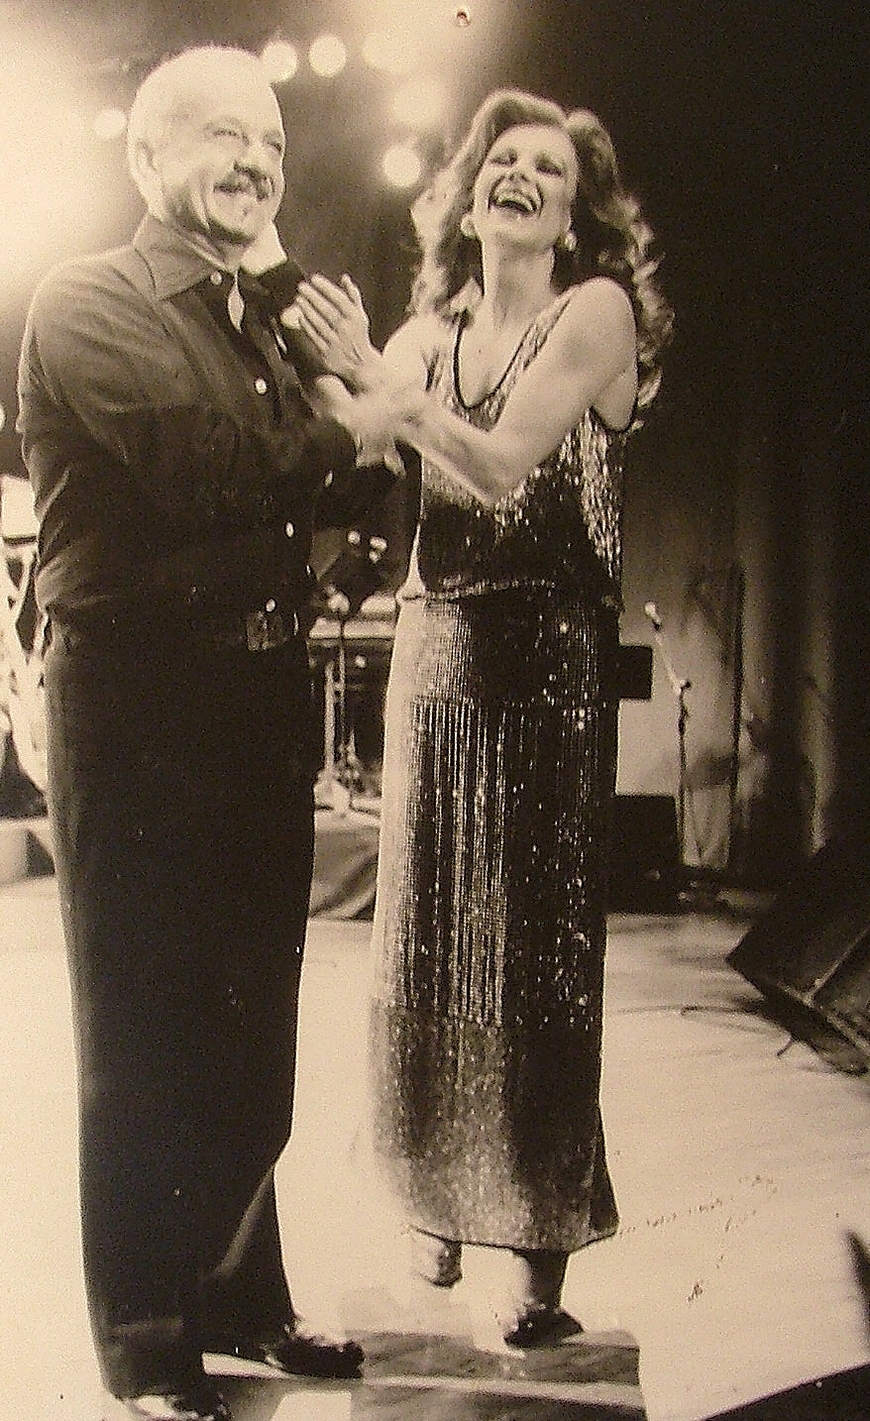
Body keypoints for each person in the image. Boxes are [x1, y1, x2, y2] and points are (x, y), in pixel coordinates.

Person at [16, 45, 401, 1421]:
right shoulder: (89, 300)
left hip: (254, 696)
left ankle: (242, 1297)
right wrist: (359, 421)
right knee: (143, 1031)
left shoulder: (262, 323)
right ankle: (146, 1337)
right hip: (136, 704)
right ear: (146, 157)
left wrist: (345, 398)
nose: (257, 162)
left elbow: (345, 490)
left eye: (275, 144)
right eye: (224, 136)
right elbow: (210, 471)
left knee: (249, 1023)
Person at [291, 88, 673, 1345]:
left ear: (573, 216)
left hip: (545, 660)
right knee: (422, 941)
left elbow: (502, 464)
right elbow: (360, 438)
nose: (520, 176)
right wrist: (339, 375)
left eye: (548, 170)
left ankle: (536, 1249)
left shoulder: (595, 312)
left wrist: (380, 389)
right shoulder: (425, 333)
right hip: (436, 650)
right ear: (468, 201)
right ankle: (432, 1206)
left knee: (533, 951)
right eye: (502, 159)